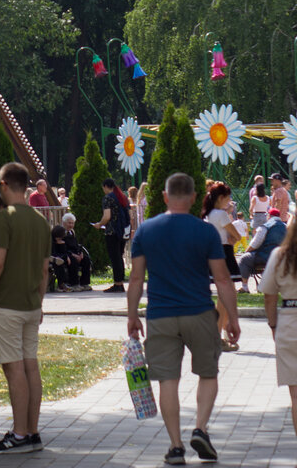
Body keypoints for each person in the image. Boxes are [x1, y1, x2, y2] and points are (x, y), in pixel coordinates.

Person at [128, 171, 240, 466]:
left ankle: (175, 446)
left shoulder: (146, 231)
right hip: (200, 312)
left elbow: (136, 277)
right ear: (193, 198)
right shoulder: (204, 232)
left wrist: (132, 316)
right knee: (208, 372)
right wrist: (233, 318)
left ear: (164, 197)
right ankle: (200, 428)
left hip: (161, 315)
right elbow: (223, 278)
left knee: (168, 380)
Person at [0, 161, 51, 454]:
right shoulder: (40, 221)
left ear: (4, 185)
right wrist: (40, 303)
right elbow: (45, 270)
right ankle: (32, 432)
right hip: (32, 305)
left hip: (7, 305)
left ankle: (19, 435)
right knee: (31, 367)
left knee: (14, 369)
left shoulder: (5, 218)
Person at [262, 213, 297, 446]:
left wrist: (273, 324)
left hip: (290, 322)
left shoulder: (280, 256)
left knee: (296, 395)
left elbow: (269, 295)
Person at [201, 182, 240, 349]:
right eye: (228, 197)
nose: (229, 201)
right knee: (226, 296)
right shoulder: (221, 214)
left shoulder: (207, 214)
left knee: (224, 296)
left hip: (211, 253)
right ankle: (218, 334)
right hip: (224, 253)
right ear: (222, 198)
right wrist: (232, 239)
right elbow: (237, 235)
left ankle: (221, 331)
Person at [93, 178, 129, 293]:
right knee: (120, 256)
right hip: (123, 230)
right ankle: (121, 282)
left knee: (115, 258)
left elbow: (107, 216)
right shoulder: (123, 197)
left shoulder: (108, 198)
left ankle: (117, 284)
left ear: (105, 186)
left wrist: (99, 224)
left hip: (112, 231)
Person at [238, 206, 287, 291]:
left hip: (265, 256)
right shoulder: (286, 227)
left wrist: (246, 251)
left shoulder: (265, 227)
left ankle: (245, 287)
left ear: (269, 216)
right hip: (281, 257)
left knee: (244, 259)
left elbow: (255, 244)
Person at [61, 212, 92, 290]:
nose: (71, 225)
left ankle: (84, 283)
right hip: (66, 254)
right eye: (69, 223)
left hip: (75, 253)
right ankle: (74, 284)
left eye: (72, 223)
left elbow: (76, 245)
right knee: (73, 261)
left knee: (86, 259)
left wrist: (80, 253)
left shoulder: (72, 232)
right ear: (64, 223)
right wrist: (73, 255)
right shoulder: (61, 233)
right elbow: (62, 247)